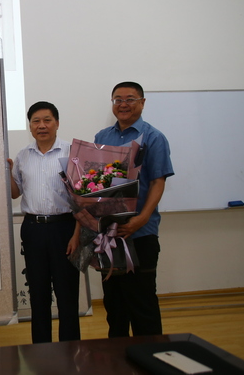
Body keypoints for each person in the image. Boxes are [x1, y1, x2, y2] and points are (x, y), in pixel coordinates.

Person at [94, 81, 173, 337]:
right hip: (109, 235)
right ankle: (118, 355)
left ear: (142, 102)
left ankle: (149, 354)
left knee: (142, 303)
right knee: (114, 304)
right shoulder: (102, 137)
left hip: (140, 233)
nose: (123, 104)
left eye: (130, 99)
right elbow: (96, 182)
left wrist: (142, 218)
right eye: (118, 100)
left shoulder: (153, 137)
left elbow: (158, 182)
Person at [8, 101, 81, 344]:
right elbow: (15, 193)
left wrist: (77, 235)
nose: (42, 125)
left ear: (57, 123)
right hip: (33, 230)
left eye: (47, 120)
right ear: (30, 126)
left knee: (67, 293)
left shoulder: (72, 153)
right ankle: (41, 351)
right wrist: (7, 173)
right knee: (38, 293)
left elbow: (84, 199)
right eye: (36, 121)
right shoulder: (23, 156)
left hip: (65, 228)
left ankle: (70, 350)